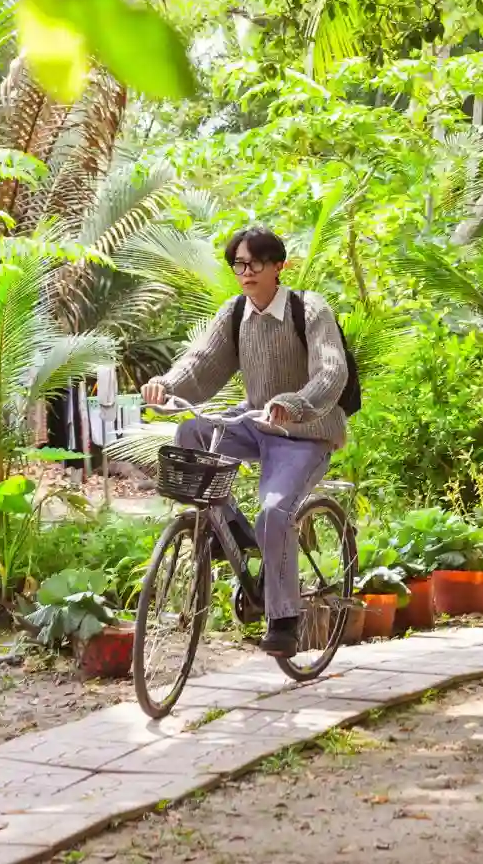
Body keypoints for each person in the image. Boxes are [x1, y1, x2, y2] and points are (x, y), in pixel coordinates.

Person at [141, 227, 350, 656]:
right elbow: (200, 365)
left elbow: (332, 372)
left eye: (255, 263)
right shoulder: (235, 313)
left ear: (279, 266)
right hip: (257, 423)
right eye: (238, 264)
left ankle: (285, 616)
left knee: (274, 511)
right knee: (190, 434)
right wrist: (165, 386)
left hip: (305, 434)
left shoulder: (308, 309)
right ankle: (230, 528)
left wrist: (296, 403)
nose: (246, 272)